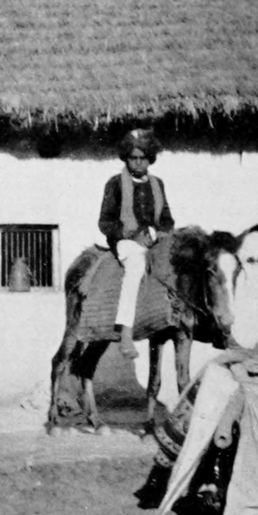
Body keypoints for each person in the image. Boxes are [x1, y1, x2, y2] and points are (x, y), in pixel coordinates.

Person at [99, 129, 175, 359]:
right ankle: (126, 331)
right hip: (126, 242)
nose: (139, 162)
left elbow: (167, 220)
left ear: (150, 158)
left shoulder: (157, 184)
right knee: (136, 267)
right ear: (126, 158)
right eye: (133, 158)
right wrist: (131, 234)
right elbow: (105, 222)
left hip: (153, 239)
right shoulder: (115, 184)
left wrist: (159, 233)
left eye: (143, 158)